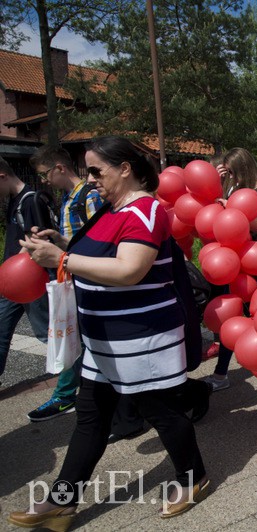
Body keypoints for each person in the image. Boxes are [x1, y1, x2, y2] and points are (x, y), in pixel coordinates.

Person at [10, 137, 208, 530]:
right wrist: (61, 242)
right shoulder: (110, 209)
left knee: (161, 412)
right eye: (88, 171)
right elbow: (104, 253)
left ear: (125, 168)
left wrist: (63, 259)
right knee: (91, 416)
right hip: (104, 340)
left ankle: (194, 476)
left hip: (142, 338)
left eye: (97, 170)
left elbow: (129, 269)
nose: (91, 178)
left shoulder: (147, 210)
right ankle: (61, 502)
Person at [25, 146, 104, 423]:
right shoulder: (70, 198)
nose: (44, 181)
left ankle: (69, 395)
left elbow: (99, 247)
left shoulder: (89, 196)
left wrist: (63, 254)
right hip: (75, 277)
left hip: (89, 280)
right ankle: (77, 395)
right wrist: (57, 239)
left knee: (79, 338)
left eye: (45, 174)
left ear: (60, 168)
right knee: (77, 338)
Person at [203, 147, 257, 392]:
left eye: (232, 172)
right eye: (228, 173)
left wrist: (233, 211)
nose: (230, 177)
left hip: (255, 263)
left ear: (242, 168)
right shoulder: (234, 190)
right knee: (231, 320)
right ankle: (221, 373)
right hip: (233, 265)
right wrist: (221, 183)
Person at [0, 158, 50, 388]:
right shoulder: (12, 200)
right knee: (1, 332)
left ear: (2, 175)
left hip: (29, 281)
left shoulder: (30, 201)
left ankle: (80, 379)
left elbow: (36, 238)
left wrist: (16, 271)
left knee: (47, 334)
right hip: (11, 282)